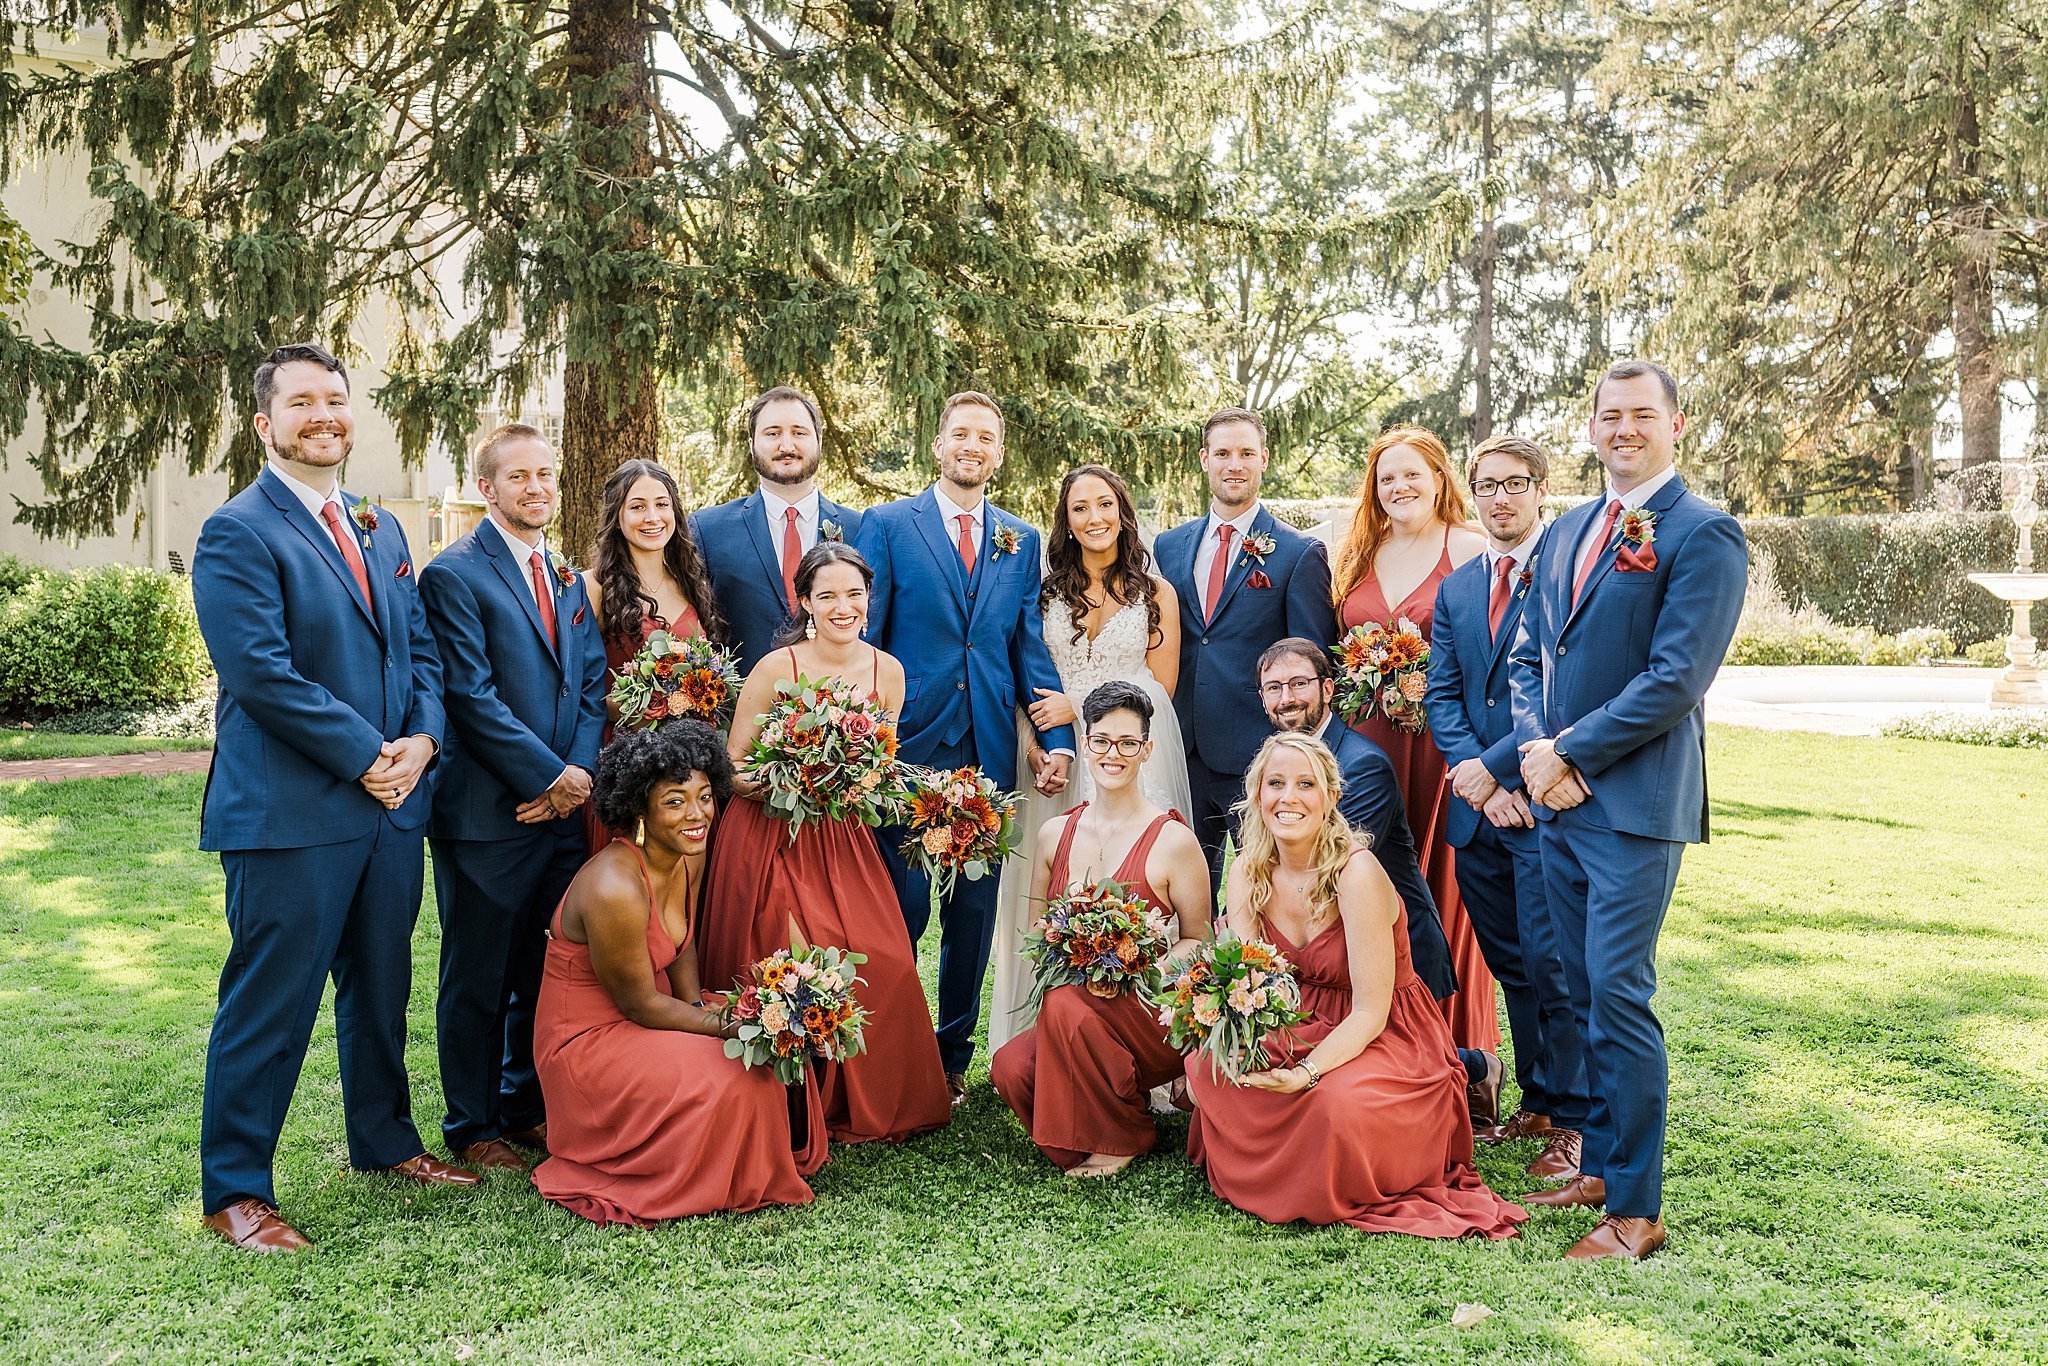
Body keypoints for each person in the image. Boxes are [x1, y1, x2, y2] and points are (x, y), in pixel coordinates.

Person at [192, 343, 476, 1252]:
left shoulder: (381, 529)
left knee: (380, 987)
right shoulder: (238, 530)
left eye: (338, 401)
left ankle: (386, 1143)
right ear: (264, 423)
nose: (325, 416)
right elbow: (261, 675)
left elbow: (422, 653)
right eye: (303, 402)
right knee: (271, 1001)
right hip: (292, 811)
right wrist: (366, 754)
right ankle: (236, 1190)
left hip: (393, 806)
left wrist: (423, 743)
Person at [1508, 360, 1747, 1261]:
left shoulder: (1704, 533)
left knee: (1619, 993)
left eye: (1641, 416)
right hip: (1561, 803)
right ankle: (1602, 1163)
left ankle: (1637, 1211)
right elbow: (1532, 655)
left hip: (1637, 808)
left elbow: (1676, 679)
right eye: (1609, 416)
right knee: (1575, 987)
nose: (1622, 430)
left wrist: (1569, 752)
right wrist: (1539, 755)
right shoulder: (1569, 529)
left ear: (1675, 426)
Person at [1185, 733, 1527, 1239]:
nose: (1289, 797)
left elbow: (1371, 1012)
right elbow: (1248, 983)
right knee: (1213, 1068)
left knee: (1331, 1104)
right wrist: (1236, 1037)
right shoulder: (1246, 873)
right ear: (1258, 795)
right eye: (1275, 783)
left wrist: (1305, 1072)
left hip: (1384, 1030)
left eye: (1306, 784)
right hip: (1297, 1015)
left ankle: (1347, 1158)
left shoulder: (1356, 872)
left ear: (1330, 797)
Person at [855, 391, 1076, 1104]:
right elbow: (865, 638)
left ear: (999, 452)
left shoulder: (1021, 537)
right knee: (904, 907)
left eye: (986, 436)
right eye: (961, 434)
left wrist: (1057, 737)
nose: (972, 446)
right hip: (907, 751)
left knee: (973, 916)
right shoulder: (886, 526)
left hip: (986, 752)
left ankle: (952, 1057)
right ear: (938, 445)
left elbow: (1023, 648)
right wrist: (867, 742)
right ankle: (891, 1050)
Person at [699, 541, 952, 1144]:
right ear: (805, 602)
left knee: (882, 960)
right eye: (828, 595)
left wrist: (866, 782)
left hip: (844, 837)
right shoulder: (776, 668)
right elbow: (729, 768)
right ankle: (783, 1102)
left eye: (854, 594)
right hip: (771, 835)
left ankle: (868, 1096)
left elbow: (882, 767)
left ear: (870, 598)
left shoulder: (885, 670)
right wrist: (789, 774)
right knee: (785, 958)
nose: (843, 606)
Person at [532, 721, 822, 1224]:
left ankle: (735, 1168)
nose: (697, 814)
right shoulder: (613, 886)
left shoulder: (689, 852)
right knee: (734, 1069)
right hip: (589, 1041)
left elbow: (682, 942)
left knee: (762, 1057)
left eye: (706, 796)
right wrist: (728, 1025)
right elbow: (638, 1004)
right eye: (675, 801)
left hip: (654, 1011)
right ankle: (689, 1174)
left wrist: (697, 1005)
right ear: (639, 807)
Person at [419, 424, 607, 1172]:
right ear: (486, 487)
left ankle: (523, 1106)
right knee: (479, 976)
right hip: (489, 815)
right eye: (519, 477)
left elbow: (590, 682)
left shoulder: (562, 574)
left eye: (546, 476)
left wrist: (577, 778)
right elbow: (469, 694)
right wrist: (545, 777)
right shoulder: (454, 574)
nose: (536, 489)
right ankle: (471, 1125)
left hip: (561, 809)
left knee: (544, 970)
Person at [1424, 435, 1591, 1179]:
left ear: (1541, 490)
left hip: (1542, 804)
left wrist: (1503, 778)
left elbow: (1556, 696)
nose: (1500, 498)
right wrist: (1473, 781)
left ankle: (1582, 1122)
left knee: (1558, 967)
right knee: (1512, 967)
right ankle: (1540, 1099)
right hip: (1478, 813)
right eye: (1487, 485)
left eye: (1515, 484)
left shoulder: (1568, 575)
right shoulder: (1459, 587)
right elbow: (1443, 694)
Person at [1256, 637, 1504, 1127]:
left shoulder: (1361, 764)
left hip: (1385, 946)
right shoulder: (1279, 760)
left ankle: (1473, 1067)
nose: (1287, 698)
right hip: (1323, 947)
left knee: (1372, 1068)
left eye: (1299, 684)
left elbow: (1327, 870)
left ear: (1328, 689)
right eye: (1273, 688)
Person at [989, 464, 1190, 1053]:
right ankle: (1041, 1038)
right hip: (1052, 760)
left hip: (1126, 757)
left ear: (1123, 513)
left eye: (1105, 504)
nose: (1095, 517)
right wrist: (1036, 743)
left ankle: (1133, 1043)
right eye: (1080, 507)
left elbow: (1160, 690)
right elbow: (1027, 676)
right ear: (1066, 520)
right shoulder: (1046, 592)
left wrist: (1077, 708)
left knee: (1127, 887)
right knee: (1044, 890)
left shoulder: (1156, 594)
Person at [990, 682, 1211, 1174]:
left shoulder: (1174, 841)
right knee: (1011, 1068)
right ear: (1086, 744)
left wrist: (1137, 961)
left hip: (1148, 1015)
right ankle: (1107, 1112)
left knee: (1067, 1004)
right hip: (1076, 1007)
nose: (1114, 754)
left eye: (1128, 743)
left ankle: (1122, 1137)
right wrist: (1073, 952)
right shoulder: (1055, 834)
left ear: (1147, 749)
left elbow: (1200, 941)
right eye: (1102, 741)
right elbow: (1036, 933)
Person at [1330, 425, 1498, 1057]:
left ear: (1439, 480)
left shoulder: (1470, 547)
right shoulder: (1356, 554)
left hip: (1443, 739)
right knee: (1368, 873)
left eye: (1412, 475)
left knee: (1444, 883)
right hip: (1367, 742)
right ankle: (1380, 1038)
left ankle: (1459, 1052)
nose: (1399, 487)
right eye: (1386, 478)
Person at [1155, 407, 1336, 882]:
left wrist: (1293, 751)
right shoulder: (1169, 546)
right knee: (1181, 888)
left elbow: (1313, 660)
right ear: (1204, 460)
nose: (1234, 464)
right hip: (1182, 748)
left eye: (1246, 453)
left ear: (1263, 460)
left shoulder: (1298, 552)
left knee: (1269, 884)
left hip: (1261, 753)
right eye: (1222, 453)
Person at [581, 458, 728, 850]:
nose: (653, 517)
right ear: (617, 516)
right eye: (638, 506)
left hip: (692, 758)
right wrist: (648, 703)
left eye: (662, 504)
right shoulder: (593, 589)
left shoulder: (691, 582)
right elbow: (579, 691)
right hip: (629, 757)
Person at [692, 386, 865, 674]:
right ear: (751, 444)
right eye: (773, 434)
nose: (787, 446)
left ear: (819, 441)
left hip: (841, 706)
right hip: (740, 709)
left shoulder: (861, 528)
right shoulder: (708, 530)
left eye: (799, 433)